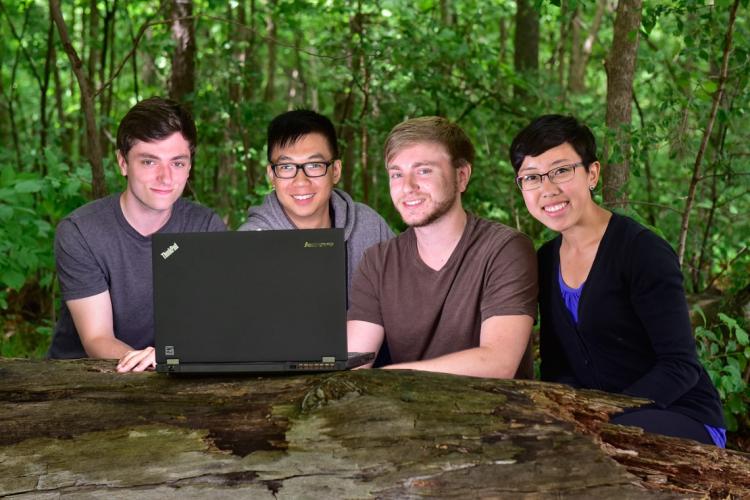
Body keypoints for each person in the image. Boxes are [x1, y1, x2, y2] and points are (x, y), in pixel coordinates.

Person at [509, 114, 725, 446]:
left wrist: (605, 415)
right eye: (532, 177)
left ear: (592, 173)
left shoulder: (641, 251)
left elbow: (680, 366)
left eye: (561, 171)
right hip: (602, 421)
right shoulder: (544, 260)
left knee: (580, 446)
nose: (548, 189)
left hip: (681, 415)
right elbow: (557, 367)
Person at [347, 116, 538, 378]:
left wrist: (387, 377)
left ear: (461, 177)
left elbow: (498, 363)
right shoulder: (377, 262)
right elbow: (354, 365)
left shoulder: (505, 250)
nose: (407, 187)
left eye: (424, 170)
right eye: (396, 174)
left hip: (495, 415)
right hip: (405, 415)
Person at [48, 97, 226, 372]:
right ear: (123, 163)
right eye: (149, 162)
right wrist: (148, 362)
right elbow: (98, 338)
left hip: (168, 377)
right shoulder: (81, 232)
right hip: (81, 381)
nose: (165, 177)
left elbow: (209, 323)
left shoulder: (205, 227)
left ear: (189, 166)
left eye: (177, 163)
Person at [238, 109, 393, 294]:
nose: (301, 181)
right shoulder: (248, 243)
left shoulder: (370, 227)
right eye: (286, 167)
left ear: (335, 170)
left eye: (314, 165)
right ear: (272, 175)